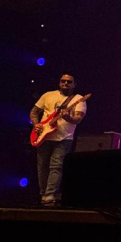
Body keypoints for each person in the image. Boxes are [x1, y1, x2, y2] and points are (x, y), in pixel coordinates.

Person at [30, 73, 87, 206]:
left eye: (69, 82)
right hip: (44, 135)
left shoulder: (79, 99)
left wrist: (68, 118)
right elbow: (34, 112)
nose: (65, 83)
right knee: (42, 166)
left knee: (56, 166)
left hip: (64, 137)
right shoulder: (48, 95)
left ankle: (50, 194)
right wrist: (36, 124)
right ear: (59, 83)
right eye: (63, 81)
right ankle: (43, 193)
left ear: (74, 84)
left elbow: (78, 119)